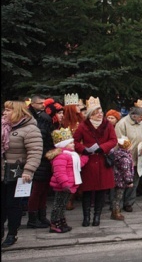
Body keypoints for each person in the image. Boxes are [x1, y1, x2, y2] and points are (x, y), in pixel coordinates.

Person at [1, 100, 43, 248]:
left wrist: (28, 170)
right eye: (4, 110)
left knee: (13, 205)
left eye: (8, 110)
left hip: (17, 173)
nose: (5, 112)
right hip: (2, 171)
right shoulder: (3, 127)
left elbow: (35, 152)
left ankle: (12, 234)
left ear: (18, 112)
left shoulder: (30, 129)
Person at [73, 96, 118, 227]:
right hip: (89, 162)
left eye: (101, 112)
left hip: (103, 160)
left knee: (101, 191)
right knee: (87, 191)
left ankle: (97, 216)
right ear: (91, 114)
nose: (100, 114)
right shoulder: (83, 126)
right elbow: (75, 141)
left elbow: (113, 140)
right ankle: (86, 217)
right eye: (97, 112)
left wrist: (102, 148)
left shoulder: (107, 125)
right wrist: (84, 149)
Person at [47, 128, 88, 233]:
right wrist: (65, 183)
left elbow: (79, 164)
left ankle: (61, 221)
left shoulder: (72, 155)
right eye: (71, 143)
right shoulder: (61, 156)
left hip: (70, 184)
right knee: (58, 204)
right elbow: (59, 172)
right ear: (63, 145)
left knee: (63, 204)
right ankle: (55, 222)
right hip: (63, 185)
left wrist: (85, 157)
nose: (73, 145)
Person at [26, 94, 55, 229]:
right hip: (37, 156)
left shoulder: (44, 117)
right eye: (40, 103)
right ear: (33, 104)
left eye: (44, 103)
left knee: (43, 189)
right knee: (36, 190)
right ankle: (33, 218)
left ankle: (41, 216)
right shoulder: (31, 118)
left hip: (45, 156)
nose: (43, 105)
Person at [115, 106, 142, 213]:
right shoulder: (122, 124)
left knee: (134, 181)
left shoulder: (141, 124)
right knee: (121, 181)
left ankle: (129, 203)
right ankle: (117, 205)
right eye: (140, 117)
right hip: (124, 158)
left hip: (137, 157)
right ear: (134, 116)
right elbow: (119, 140)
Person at [110, 136, 134, 221]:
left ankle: (115, 211)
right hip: (121, 180)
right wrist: (129, 181)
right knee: (118, 197)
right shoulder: (125, 158)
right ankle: (116, 212)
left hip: (116, 178)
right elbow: (126, 170)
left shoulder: (117, 154)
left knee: (116, 196)